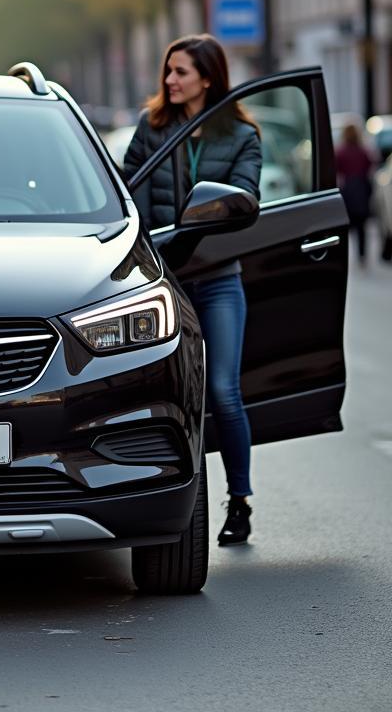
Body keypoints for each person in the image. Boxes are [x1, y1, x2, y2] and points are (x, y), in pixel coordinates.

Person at [123, 35, 262, 546]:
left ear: (208, 77)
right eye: (168, 72)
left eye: (180, 72)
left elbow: (248, 197)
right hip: (167, 285)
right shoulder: (152, 128)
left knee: (224, 392)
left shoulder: (242, 135)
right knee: (171, 398)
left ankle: (240, 502)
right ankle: (164, 501)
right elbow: (126, 193)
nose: (170, 81)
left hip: (220, 278)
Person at [335, 123, 375, 266]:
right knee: (362, 227)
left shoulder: (341, 151)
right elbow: (370, 167)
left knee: (346, 226)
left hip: (347, 192)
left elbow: (336, 170)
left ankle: (344, 256)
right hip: (362, 190)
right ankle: (362, 255)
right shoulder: (363, 151)